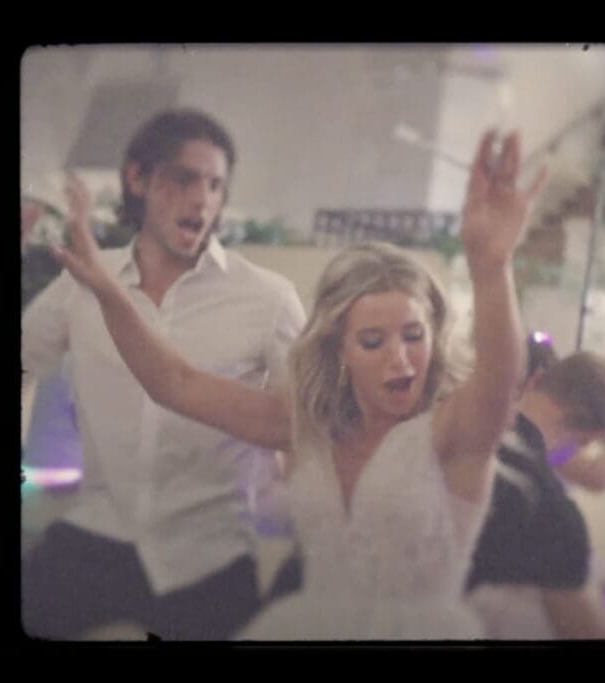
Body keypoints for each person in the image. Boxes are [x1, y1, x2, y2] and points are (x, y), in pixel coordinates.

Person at [52, 129, 548, 639]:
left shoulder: (454, 431)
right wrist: (109, 292)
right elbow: (174, 382)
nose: (400, 359)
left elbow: (499, 376)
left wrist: (492, 266)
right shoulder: (307, 424)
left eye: (414, 335)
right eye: (374, 341)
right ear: (340, 351)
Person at [21, 108, 306, 640]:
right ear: (138, 180)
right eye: (185, 179)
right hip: (97, 533)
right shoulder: (82, 279)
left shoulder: (268, 299)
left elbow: (306, 424)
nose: (203, 199)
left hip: (212, 553)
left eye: (216, 185)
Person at [465, 342, 605, 638]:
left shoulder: (458, 433)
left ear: (535, 381)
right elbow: (589, 636)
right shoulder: (552, 513)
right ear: (594, 437)